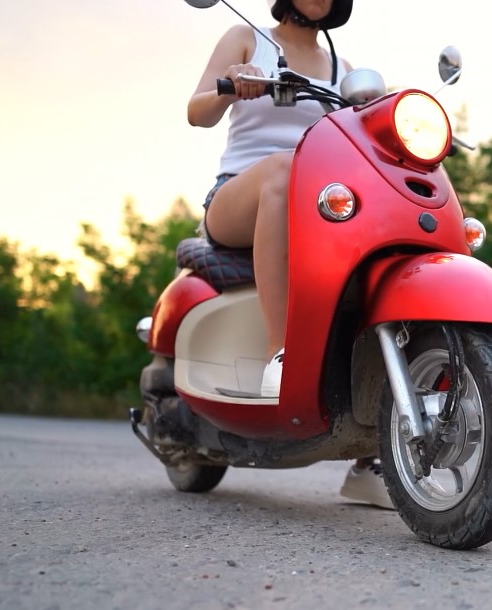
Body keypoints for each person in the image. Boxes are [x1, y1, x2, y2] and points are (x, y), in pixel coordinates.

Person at [186, 0, 391, 509]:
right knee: (284, 168)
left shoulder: (344, 72)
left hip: (314, 206)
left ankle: (373, 459)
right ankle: (284, 357)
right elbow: (196, 112)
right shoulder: (247, 37)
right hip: (240, 194)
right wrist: (232, 82)